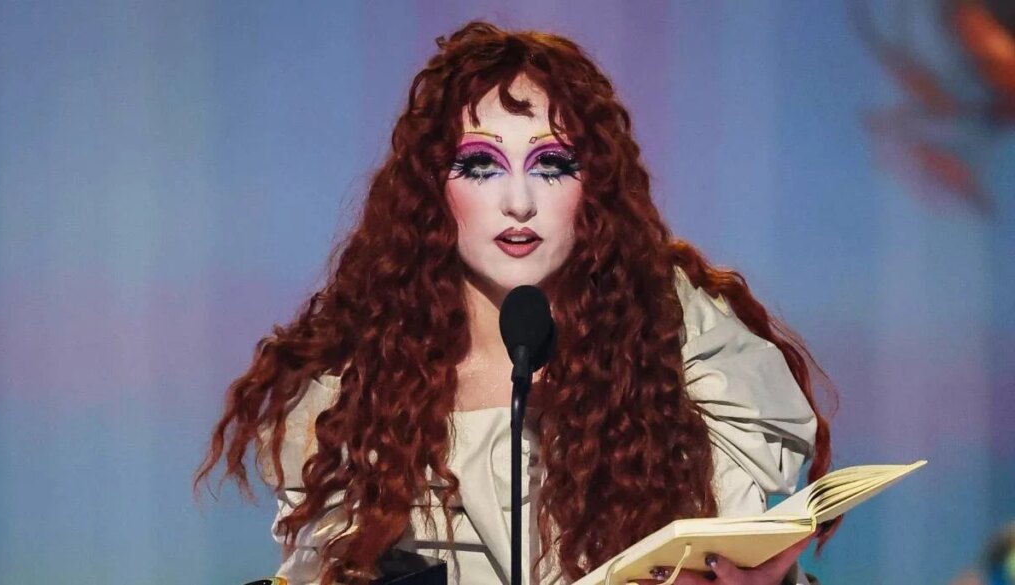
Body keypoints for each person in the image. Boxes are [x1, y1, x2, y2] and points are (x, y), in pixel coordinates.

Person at [193, 20, 836, 585]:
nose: (519, 202)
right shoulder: (356, 387)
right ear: (431, 188)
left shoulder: (679, 338)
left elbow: (739, 548)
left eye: (551, 164)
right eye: (481, 165)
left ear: (595, 187)